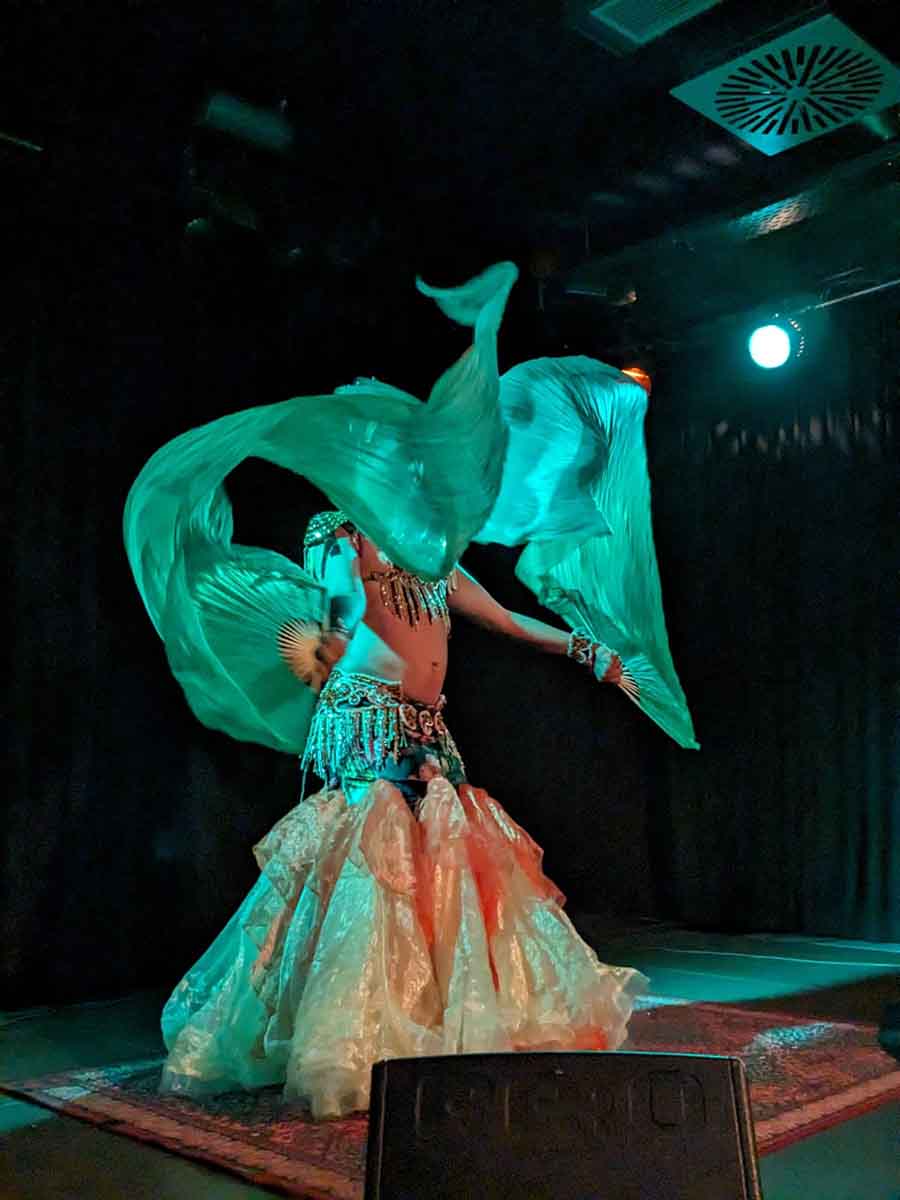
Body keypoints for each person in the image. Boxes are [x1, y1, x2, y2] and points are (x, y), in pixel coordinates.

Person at [158, 509, 646, 1118]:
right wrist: (334, 636)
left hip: (427, 724)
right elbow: (342, 601)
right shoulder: (342, 533)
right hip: (367, 714)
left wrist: (581, 648)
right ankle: (354, 1033)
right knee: (380, 856)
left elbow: (501, 618)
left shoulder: (432, 554)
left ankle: (433, 1013)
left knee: (440, 856)